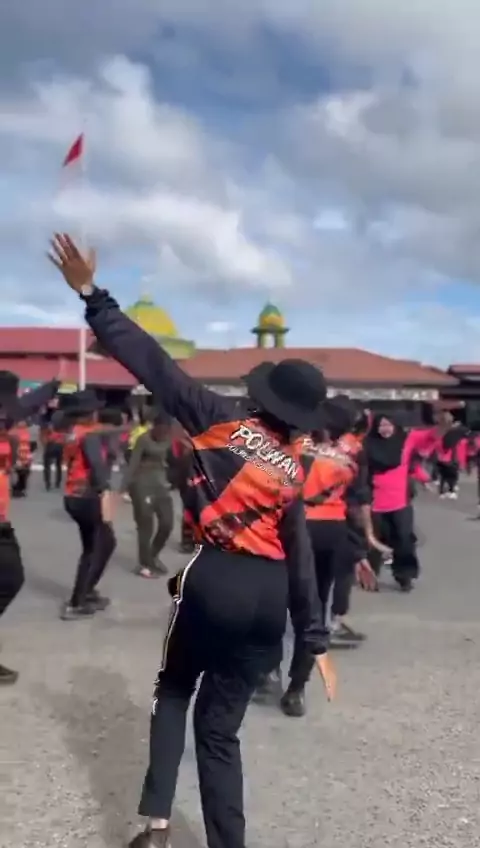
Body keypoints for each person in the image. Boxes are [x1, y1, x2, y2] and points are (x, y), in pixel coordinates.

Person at [49, 233, 336, 848]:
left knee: (174, 690)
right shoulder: (295, 465)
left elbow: (151, 362)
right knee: (221, 732)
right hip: (270, 598)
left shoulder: (216, 418)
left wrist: (93, 296)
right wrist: (312, 630)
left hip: (217, 579)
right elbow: (300, 551)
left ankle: (155, 826)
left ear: (261, 396)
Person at [0, 371, 61, 683]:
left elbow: (28, 404)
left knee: (11, 578)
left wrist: (53, 386)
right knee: (10, 578)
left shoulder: (7, 425)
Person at [60, 390, 117, 621]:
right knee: (97, 547)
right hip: (87, 496)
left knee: (103, 544)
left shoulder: (73, 432)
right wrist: (105, 490)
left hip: (73, 495)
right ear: (88, 413)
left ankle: (87, 591)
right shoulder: (89, 435)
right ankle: (77, 602)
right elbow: (96, 465)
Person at [364, 414, 436, 592]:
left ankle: (405, 576)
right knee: (375, 542)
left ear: (395, 426)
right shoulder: (367, 445)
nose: (385, 429)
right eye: (381, 425)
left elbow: (414, 462)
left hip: (400, 503)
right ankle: (370, 575)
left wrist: (425, 479)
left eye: (388, 425)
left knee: (404, 540)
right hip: (375, 503)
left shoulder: (406, 441)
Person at [121, 409, 174, 578]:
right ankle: (144, 564)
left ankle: (152, 555)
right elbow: (133, 464)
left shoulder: (169, 439)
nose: (163, 434)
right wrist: (123, 487)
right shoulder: (143, 439)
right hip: (141, 484)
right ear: (154, 426)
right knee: (146, 526)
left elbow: (173, 461)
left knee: (167, 523)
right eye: (161, 429)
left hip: (160, 484)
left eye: (166, 430)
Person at [10, 419, 35, 497]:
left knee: (21, 473)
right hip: (20, 456)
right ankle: (18, 489)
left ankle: (17, 489)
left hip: (22, 456)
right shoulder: (14, 433)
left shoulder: (13, 432)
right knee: (22, 474)